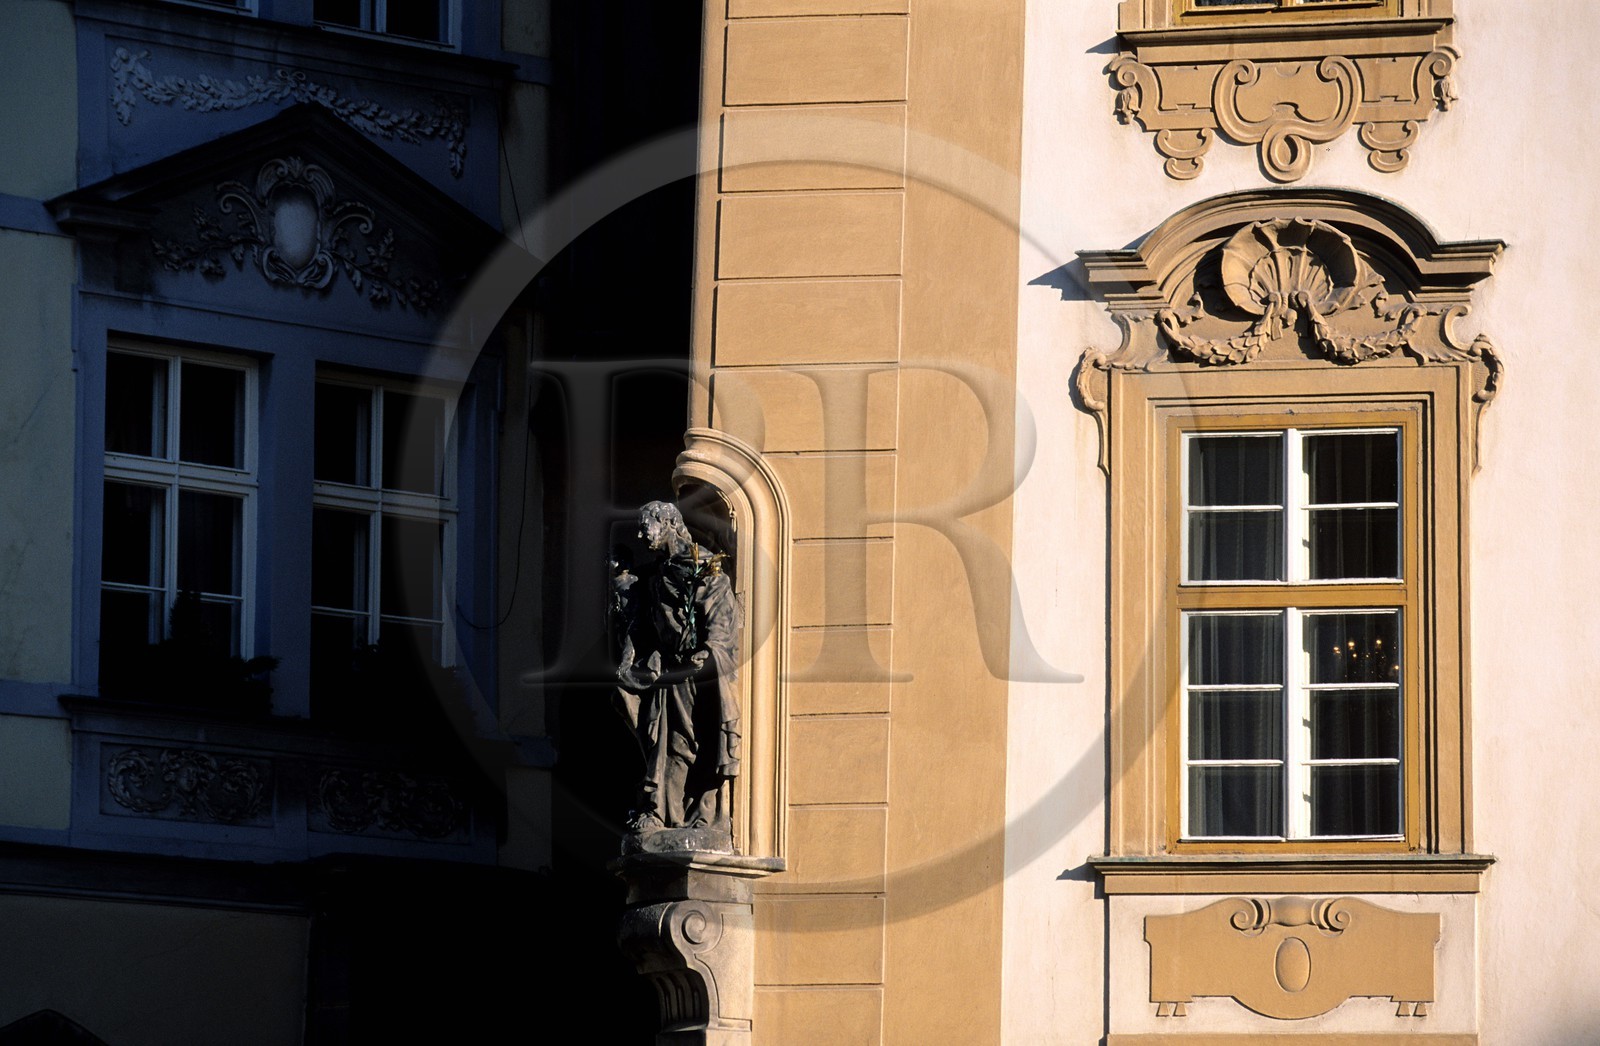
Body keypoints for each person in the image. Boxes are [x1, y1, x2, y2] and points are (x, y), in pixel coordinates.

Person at [611, 501, 741, 836]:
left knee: (693, 740)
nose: (641, 534)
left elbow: (718, 604)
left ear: (668, 523)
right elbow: (645, 623)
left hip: (696, 670)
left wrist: (710, 647)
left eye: (646, 526)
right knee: (663, 743)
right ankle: (662, 811)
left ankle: (702, 813)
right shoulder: (658, 573)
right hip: (667, 670)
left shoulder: (702, 564)